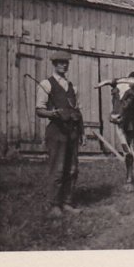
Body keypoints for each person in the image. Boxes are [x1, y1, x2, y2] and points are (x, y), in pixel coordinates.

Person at [35, 50, 85, 218]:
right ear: (54, 64)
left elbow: (78, 111)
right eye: (60, 62)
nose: (64, 65)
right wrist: (52, 113)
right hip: (56, 132)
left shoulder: (73, 87)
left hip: (72, 132)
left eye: (66, 62)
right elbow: (39, 110)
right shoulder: (46, 84)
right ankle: (54, 205)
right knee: (57, 169)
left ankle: (67, 203)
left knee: (72, 169)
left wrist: (82, 132)